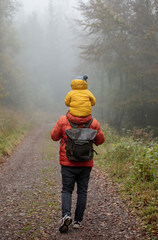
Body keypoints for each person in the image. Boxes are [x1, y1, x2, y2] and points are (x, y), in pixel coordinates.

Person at [51, 111, 105, 233]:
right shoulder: (93, 122)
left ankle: (66, 215)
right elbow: (101, 140)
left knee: (66, 190)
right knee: (82, 191)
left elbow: (54, 136)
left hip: (67, 162)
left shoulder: (63, 120)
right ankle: (77, 221)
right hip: (85, 163)